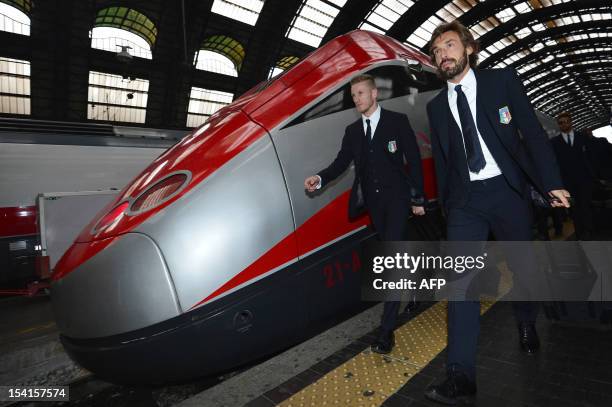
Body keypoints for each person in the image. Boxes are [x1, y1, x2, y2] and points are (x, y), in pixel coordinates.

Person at [423, 21, 571, 405]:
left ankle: (526, 321)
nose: (443, 55)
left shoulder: (502, 82)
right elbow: (443, 161)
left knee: (523, 266)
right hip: (466, 202)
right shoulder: (436, 107)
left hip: (508, 193)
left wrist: (551, 182)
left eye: (450, 45)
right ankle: (461, 375)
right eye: (437, 51)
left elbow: (532, 134)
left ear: (469, 49)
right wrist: (447, 206)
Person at [304, 74, 425, 354]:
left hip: (397, 201)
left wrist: (418, 198)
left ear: (374, 95)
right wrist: (320, 178)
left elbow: (415, 161)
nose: (356, 98)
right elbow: (340, 164)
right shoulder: (352, 132)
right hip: (373, 205)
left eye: (360, 93)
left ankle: (386, 332)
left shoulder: (397, 122)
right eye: (353, 95)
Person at [551, 112, 597, 240]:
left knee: (586, 206)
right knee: (574, 209)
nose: (564, 124)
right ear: (558, 125)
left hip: (585, 180)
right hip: (567, 183)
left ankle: (589, 231)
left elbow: (592, 157)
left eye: (566, 121)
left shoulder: (582, 137)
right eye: (561, 122)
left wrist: (593, 175)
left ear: (571, 122)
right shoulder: (554, 142)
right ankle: (579, 233)